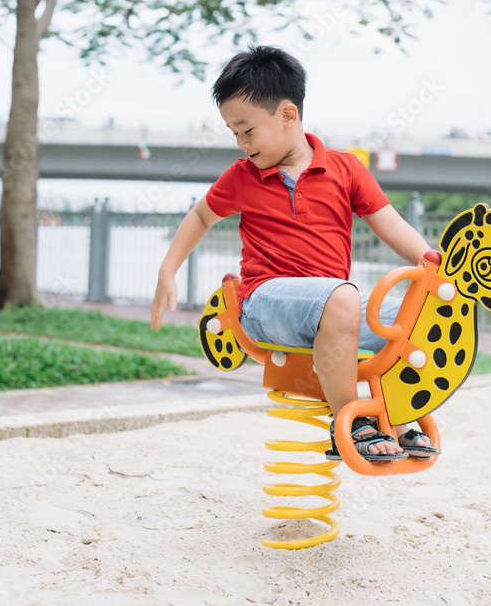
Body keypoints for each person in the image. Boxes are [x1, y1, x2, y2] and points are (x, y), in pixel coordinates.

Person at [150, 45, 440, 461]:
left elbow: (390, 224)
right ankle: (352, 422)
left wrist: (430, 264)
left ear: (288, 115)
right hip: (266, 302)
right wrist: (168, 269)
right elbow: (200, 216)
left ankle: (396, 412)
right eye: (234, 132)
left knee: (416, 312)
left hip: (331, 305)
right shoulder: (241, 177)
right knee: (341, 296)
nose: (241, 142)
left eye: (247, 130)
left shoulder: (346, 170)